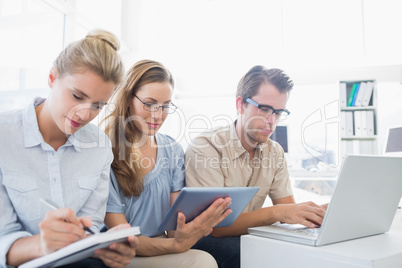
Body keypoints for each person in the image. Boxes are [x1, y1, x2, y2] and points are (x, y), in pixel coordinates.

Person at [0, 29, 138, 268]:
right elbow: (2, 239)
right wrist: (43, 245)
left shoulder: (99, 146)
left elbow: (90, 227)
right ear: (52, 78)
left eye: (97, 105)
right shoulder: (4, 137)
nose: (84, 114)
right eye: (77, 96)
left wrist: (107, 248)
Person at [185, 65, 327, 268]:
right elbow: (215, 227)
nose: (271, 121)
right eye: (265, 109)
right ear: (241, 105)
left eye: (278, 112)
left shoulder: (274, 152)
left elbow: (287, 210)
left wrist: (318, 212)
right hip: (205, 239)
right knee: (249, 252)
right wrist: (279, 213)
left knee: (297, 249)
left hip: (246, 236)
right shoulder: (207, 147)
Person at [102, 59, 232, 268]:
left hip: (160, 244)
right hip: (121, 253)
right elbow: (124, 238)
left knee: (205, 259)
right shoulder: (105, 151)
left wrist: (195, 227)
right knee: (202, 263)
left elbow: (173, 230)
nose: (157, 115)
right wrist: (177, 246)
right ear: (128, 99)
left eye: (165, 106)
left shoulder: (172, 150)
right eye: (149, 103)